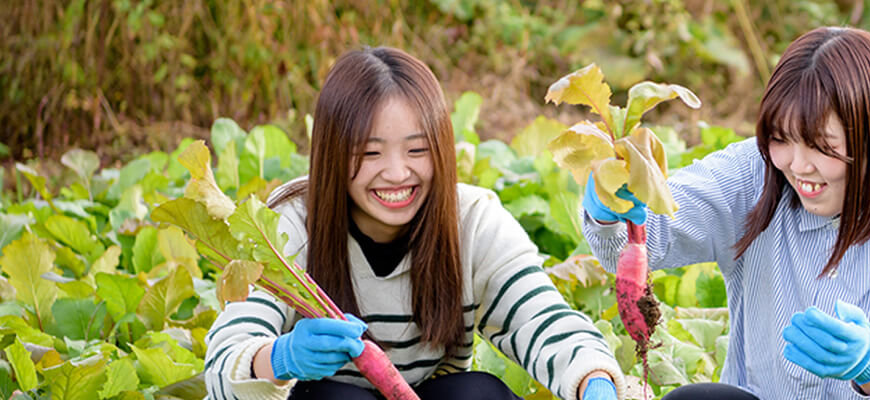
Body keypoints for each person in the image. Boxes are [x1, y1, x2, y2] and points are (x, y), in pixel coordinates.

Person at [581, 27, 870, 399]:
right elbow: (652, 233)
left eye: (821, 145)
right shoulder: (755, 172)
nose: (798, 165)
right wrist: (613, 212)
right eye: (781, 139)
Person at [203, 47, 623, 400]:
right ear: (331, 154)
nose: (397, 173)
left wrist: (594, 380)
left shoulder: (473, 221)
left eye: (417, 150)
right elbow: (223, 362)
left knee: (477, 393)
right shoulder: (286, 228)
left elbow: (543, 321)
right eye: (370, 154)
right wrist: (279, 358)